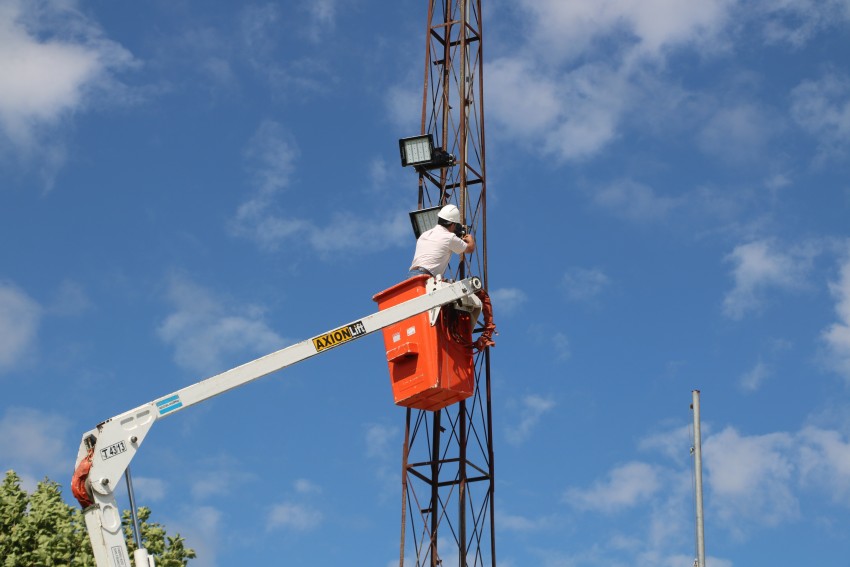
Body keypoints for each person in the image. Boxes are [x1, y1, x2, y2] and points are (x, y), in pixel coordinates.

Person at [407, 204, 475, 279]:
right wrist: (470, 238)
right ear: (452, 224)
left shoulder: (424, 235)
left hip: (411, 277)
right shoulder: (449, 237)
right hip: (425, 278)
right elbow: (470, 248)